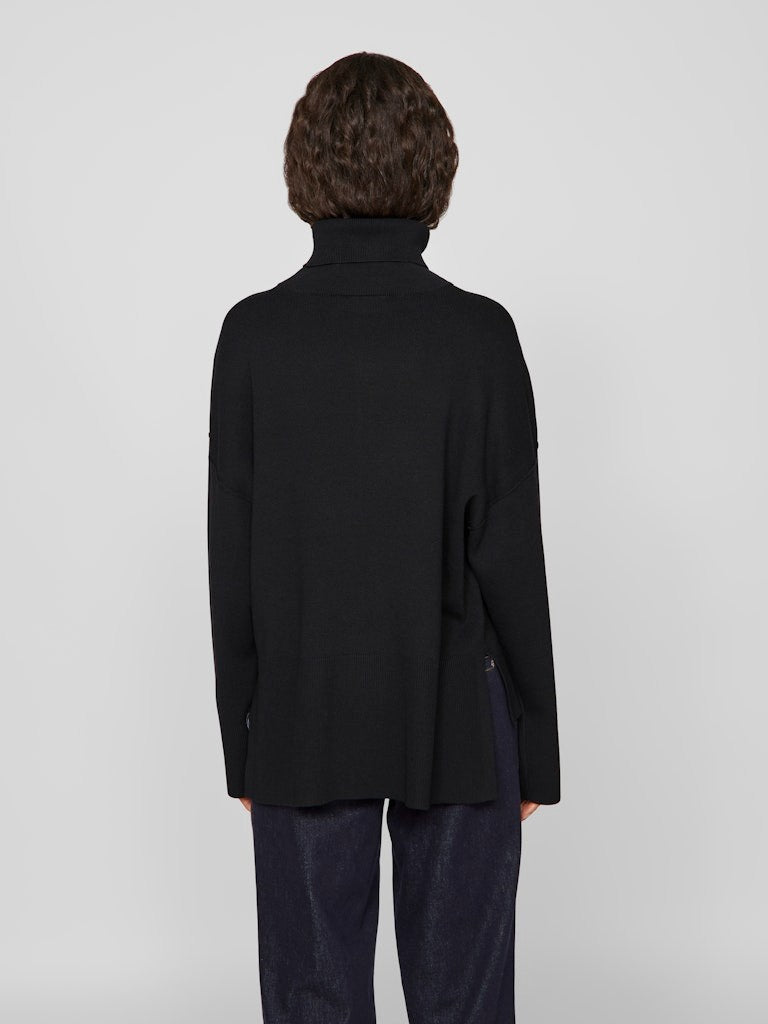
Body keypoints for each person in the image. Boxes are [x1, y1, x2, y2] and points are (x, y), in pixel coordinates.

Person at [207, 51, 560, 1024]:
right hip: (457, 708)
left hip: (301, 707)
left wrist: (243, 736)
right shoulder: (480, 336)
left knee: (312, 1001)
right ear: (433, 164)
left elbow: (232, 557)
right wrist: (536, 742)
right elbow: (509, 552)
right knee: (464, 1004)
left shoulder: (253, 336)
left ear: (305, 166)